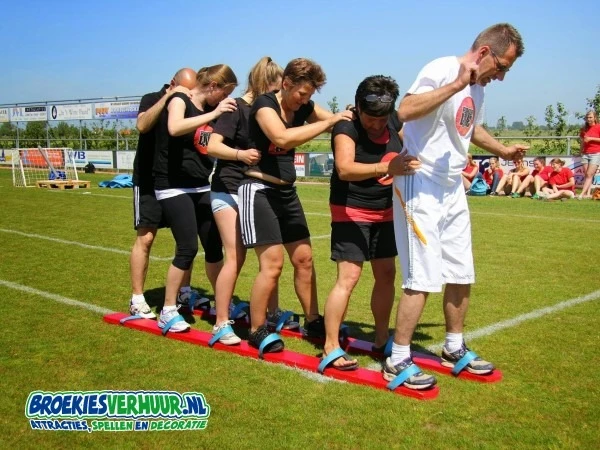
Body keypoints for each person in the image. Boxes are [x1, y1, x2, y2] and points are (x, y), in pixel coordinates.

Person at [388, 23, 527, 390]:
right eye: (502, 67)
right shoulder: (443, 69)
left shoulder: (478, 89)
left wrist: (502, 150)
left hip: (452, 186)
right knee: (422, 276)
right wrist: (455, 85)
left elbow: (470, 128)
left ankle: (453, 346)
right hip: (420, 181)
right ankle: (397, 358)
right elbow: (405, 110)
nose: (501, 77)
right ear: (484, 53)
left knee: (461, 271)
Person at [238, 58, 353, 353]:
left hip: (287, 193)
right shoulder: (264, 104)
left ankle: (313, 321)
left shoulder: (304, 106)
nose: (305, 100)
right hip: (258, 190)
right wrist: (330, 122)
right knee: (272, 265)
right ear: (286, 83)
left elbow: (337, 121)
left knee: (304, 260)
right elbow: (282, 137)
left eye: (310, 95)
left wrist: (352, 116)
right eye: (302, 93)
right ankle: (257, 328)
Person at [320, 75, 420, 371]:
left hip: (386, 211)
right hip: (350, 210)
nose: (376, 125)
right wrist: (386, 167)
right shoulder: (347, 126)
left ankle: (381, 339)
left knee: (387, 274)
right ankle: (330, 346)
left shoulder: (393, 120)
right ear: (358, 107)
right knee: (349, 277)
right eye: (370, 118)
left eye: (382, 119)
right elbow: (345, 168)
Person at [207, 57, 299, 345]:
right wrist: (240, 155)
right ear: (265, 83)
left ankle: (273, 312)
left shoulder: (268, 109)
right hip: (229, 189)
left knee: (269, 256)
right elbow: (212, 146)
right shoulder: (236, 108)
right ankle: (221, 322)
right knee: (236, 257)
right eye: (277, 88)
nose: (279, 95)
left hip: (255, 189)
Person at [153, 64, 238, 333]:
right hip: (173, 186)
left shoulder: (213, 111)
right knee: (187, 248)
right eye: (224, 92)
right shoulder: (181, 99)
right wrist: (214, 114)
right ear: (212, 86)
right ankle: (168, 310)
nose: (225, 99)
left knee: (214, 247)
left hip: (200, 186)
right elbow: (175, 127)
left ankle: (223, 304)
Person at [129, 68, 201, 319]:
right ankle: (137, 298)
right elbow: (142, 125)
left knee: (186, 238)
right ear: (172, 83)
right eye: (185, 90)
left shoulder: (190, 104)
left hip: (176, 182)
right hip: (148, 180)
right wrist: (169, 97)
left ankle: (184, 292)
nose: (188, 96)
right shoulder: (151, 98)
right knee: (146, 237)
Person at [578, 110, 600, 199]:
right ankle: (587, 193)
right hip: (585, 153)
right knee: (587, 174)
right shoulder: (583, 129)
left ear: (595, 118)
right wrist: (580, 151)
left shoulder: (598, 127)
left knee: (589, 174)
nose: (589, 119)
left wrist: (591, 139)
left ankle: (581, 194)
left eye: (590, 117)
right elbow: (582, 142)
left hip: (596, 153)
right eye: (587, 117)